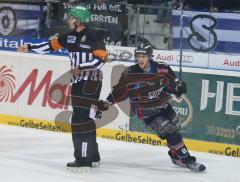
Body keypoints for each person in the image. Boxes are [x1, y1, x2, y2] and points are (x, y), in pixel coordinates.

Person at [17, 6, 108, 172]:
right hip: (79, 82)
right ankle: (92, 157)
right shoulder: (70, 36)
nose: (68, 19)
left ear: (77, 19)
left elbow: (102, 59)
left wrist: (81, 67)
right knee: (85, 118)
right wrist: (29, 47)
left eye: (70, 17)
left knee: (80, 120)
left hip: (91, 82)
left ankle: (83, 160)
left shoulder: (93, 35)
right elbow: (50, 46)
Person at [106, 43, 206, 172]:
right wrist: (106, 103)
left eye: (144, 56)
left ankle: (176, 156)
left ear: (150, 57)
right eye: (138, 56)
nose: (140, 59)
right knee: (171, 132)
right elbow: (119, 92)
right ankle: (188, 160)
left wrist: (178, 88)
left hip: (163, 104)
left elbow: (172, 84)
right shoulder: (130, 73)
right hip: (146, 111)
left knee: (175, 127)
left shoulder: (162, 68)